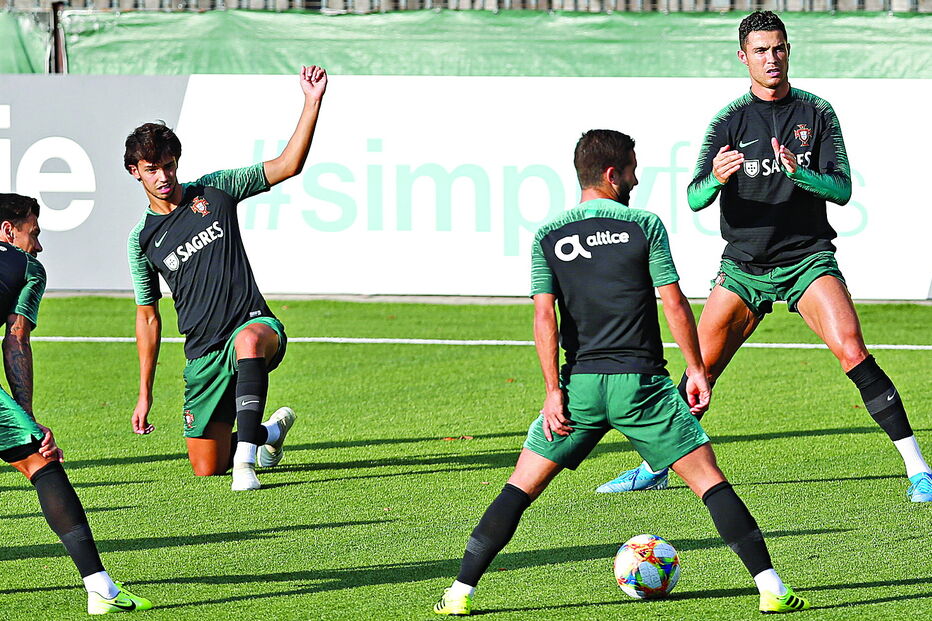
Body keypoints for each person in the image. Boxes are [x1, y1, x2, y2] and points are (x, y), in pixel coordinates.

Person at [432, 130, 809, 616]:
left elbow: (544, 317)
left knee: (519, 488)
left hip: (580, 390)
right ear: (612, 174)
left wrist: (552, 391)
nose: (636, 178)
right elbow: (673, 302)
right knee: (710, 483)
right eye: (632, 169)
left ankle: (459, 594)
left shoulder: (548, 236)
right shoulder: (644, 226)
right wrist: (697, 369)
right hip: (643, 388)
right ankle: (772, 589)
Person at [597, 11, 932, 503]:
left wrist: (802, 175)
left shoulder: (817, 112)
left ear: (788, 50)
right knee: (699, 372)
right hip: (743, 267)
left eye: (778, 48)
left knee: (853, 352)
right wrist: (716, 178)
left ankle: (918, 469)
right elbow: (693, 197)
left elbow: (842, 189)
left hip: (806, 260)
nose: (771, 58)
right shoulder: (728, 120)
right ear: (743, 57)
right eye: (760, 51)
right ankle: (655, 467)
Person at [125, 66, 328, 491]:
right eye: (152, 169)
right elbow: (148, 317)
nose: (163, 177)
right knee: (205, 465)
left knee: (248, 341)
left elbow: (287, 165)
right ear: (134, 172)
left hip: (253, 324)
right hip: (203, 354)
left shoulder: (214, 191)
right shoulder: (141, 240)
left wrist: (312, 102)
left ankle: (246, 464)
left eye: (168, 166)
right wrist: (145, 393)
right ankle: (266, 434)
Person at [0, 194, 153, 614]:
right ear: (8, 231)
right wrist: (28, 418)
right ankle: (100, 588)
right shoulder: (26, 267)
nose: (38, 245)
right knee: (40, 461)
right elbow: (16, 339)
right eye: (34, 233)